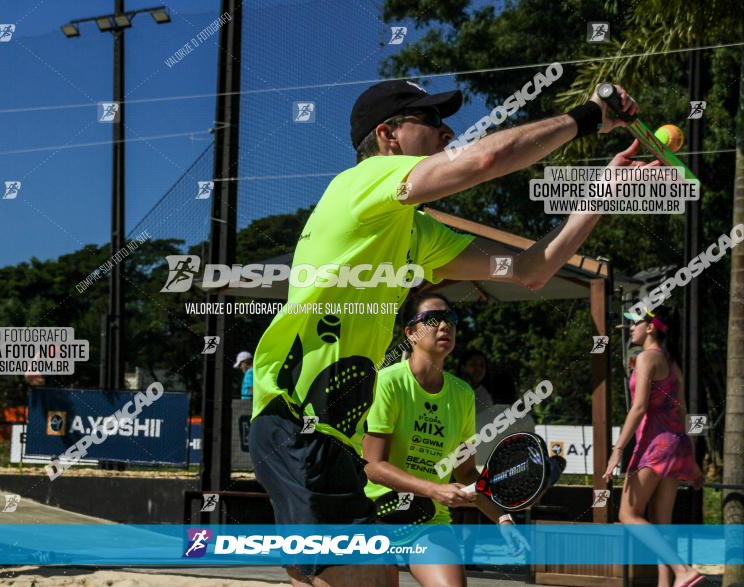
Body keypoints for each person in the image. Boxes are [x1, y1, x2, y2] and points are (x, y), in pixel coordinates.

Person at [250, 77, 648, 587]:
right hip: (297, 423)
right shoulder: (361, 182)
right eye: (432, 120)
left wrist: (602, 194)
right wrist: (590, 117)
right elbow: (483, 161)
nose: (448, 131)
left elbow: (528, 269)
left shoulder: (414, 231)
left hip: (327, 439)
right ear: (388, 135)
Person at [363, 291, 527, 587]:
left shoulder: (463, 393)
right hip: (375, 516)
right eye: (432, 319)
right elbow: (372, 466)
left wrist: (503, 519)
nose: (445, 326)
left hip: (428, 519)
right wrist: (434, 489)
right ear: (410, 333)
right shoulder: (387, 382)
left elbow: (465, 472)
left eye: (450, 318)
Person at [603, 306, 705, 587]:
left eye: (635, 323)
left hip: (655, 447)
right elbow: (683, 414)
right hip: (676, 446)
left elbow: (638, 408)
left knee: (628, 514)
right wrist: (692, 462)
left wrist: (617, 450)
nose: (630, 329)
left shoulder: (646, 357)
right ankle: (667, 583)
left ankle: (684, 571)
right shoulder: (673, 364)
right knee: (662, 523)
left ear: (650, 327)